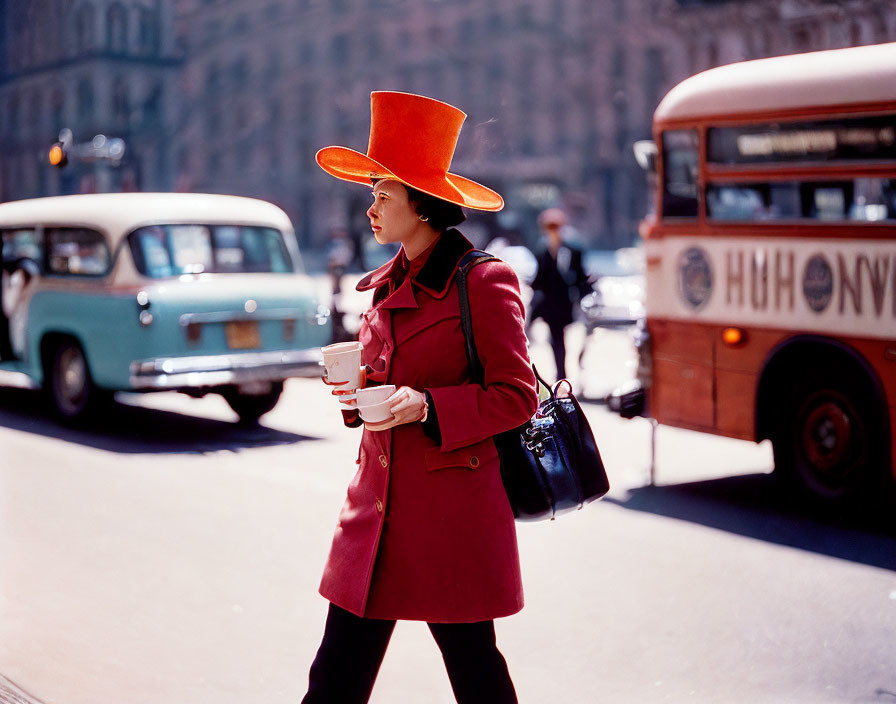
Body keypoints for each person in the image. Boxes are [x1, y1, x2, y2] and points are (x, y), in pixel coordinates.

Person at [303, 91, 538, 704]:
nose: (372, 210)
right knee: (333, 682)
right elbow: (382, 392)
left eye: (384, 194)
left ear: (424, 205)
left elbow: (516, 397)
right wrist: (356, 396)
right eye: (371, 194)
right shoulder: (385, 284)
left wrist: (430, 406)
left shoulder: (484, 282)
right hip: (375, 514)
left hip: (449, 517)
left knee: (477, 677)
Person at [529, 208, 591, 381]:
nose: (553, 231)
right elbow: (539, 278)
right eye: (549, 226)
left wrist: (585, 295)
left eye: (555, 226)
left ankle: (563, 374)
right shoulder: (542, 251)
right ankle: (560, 374)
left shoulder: (572, 250)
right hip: (548, 304)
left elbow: (580, 276)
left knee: (561, 340)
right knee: (554, 340)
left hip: (565, 303)